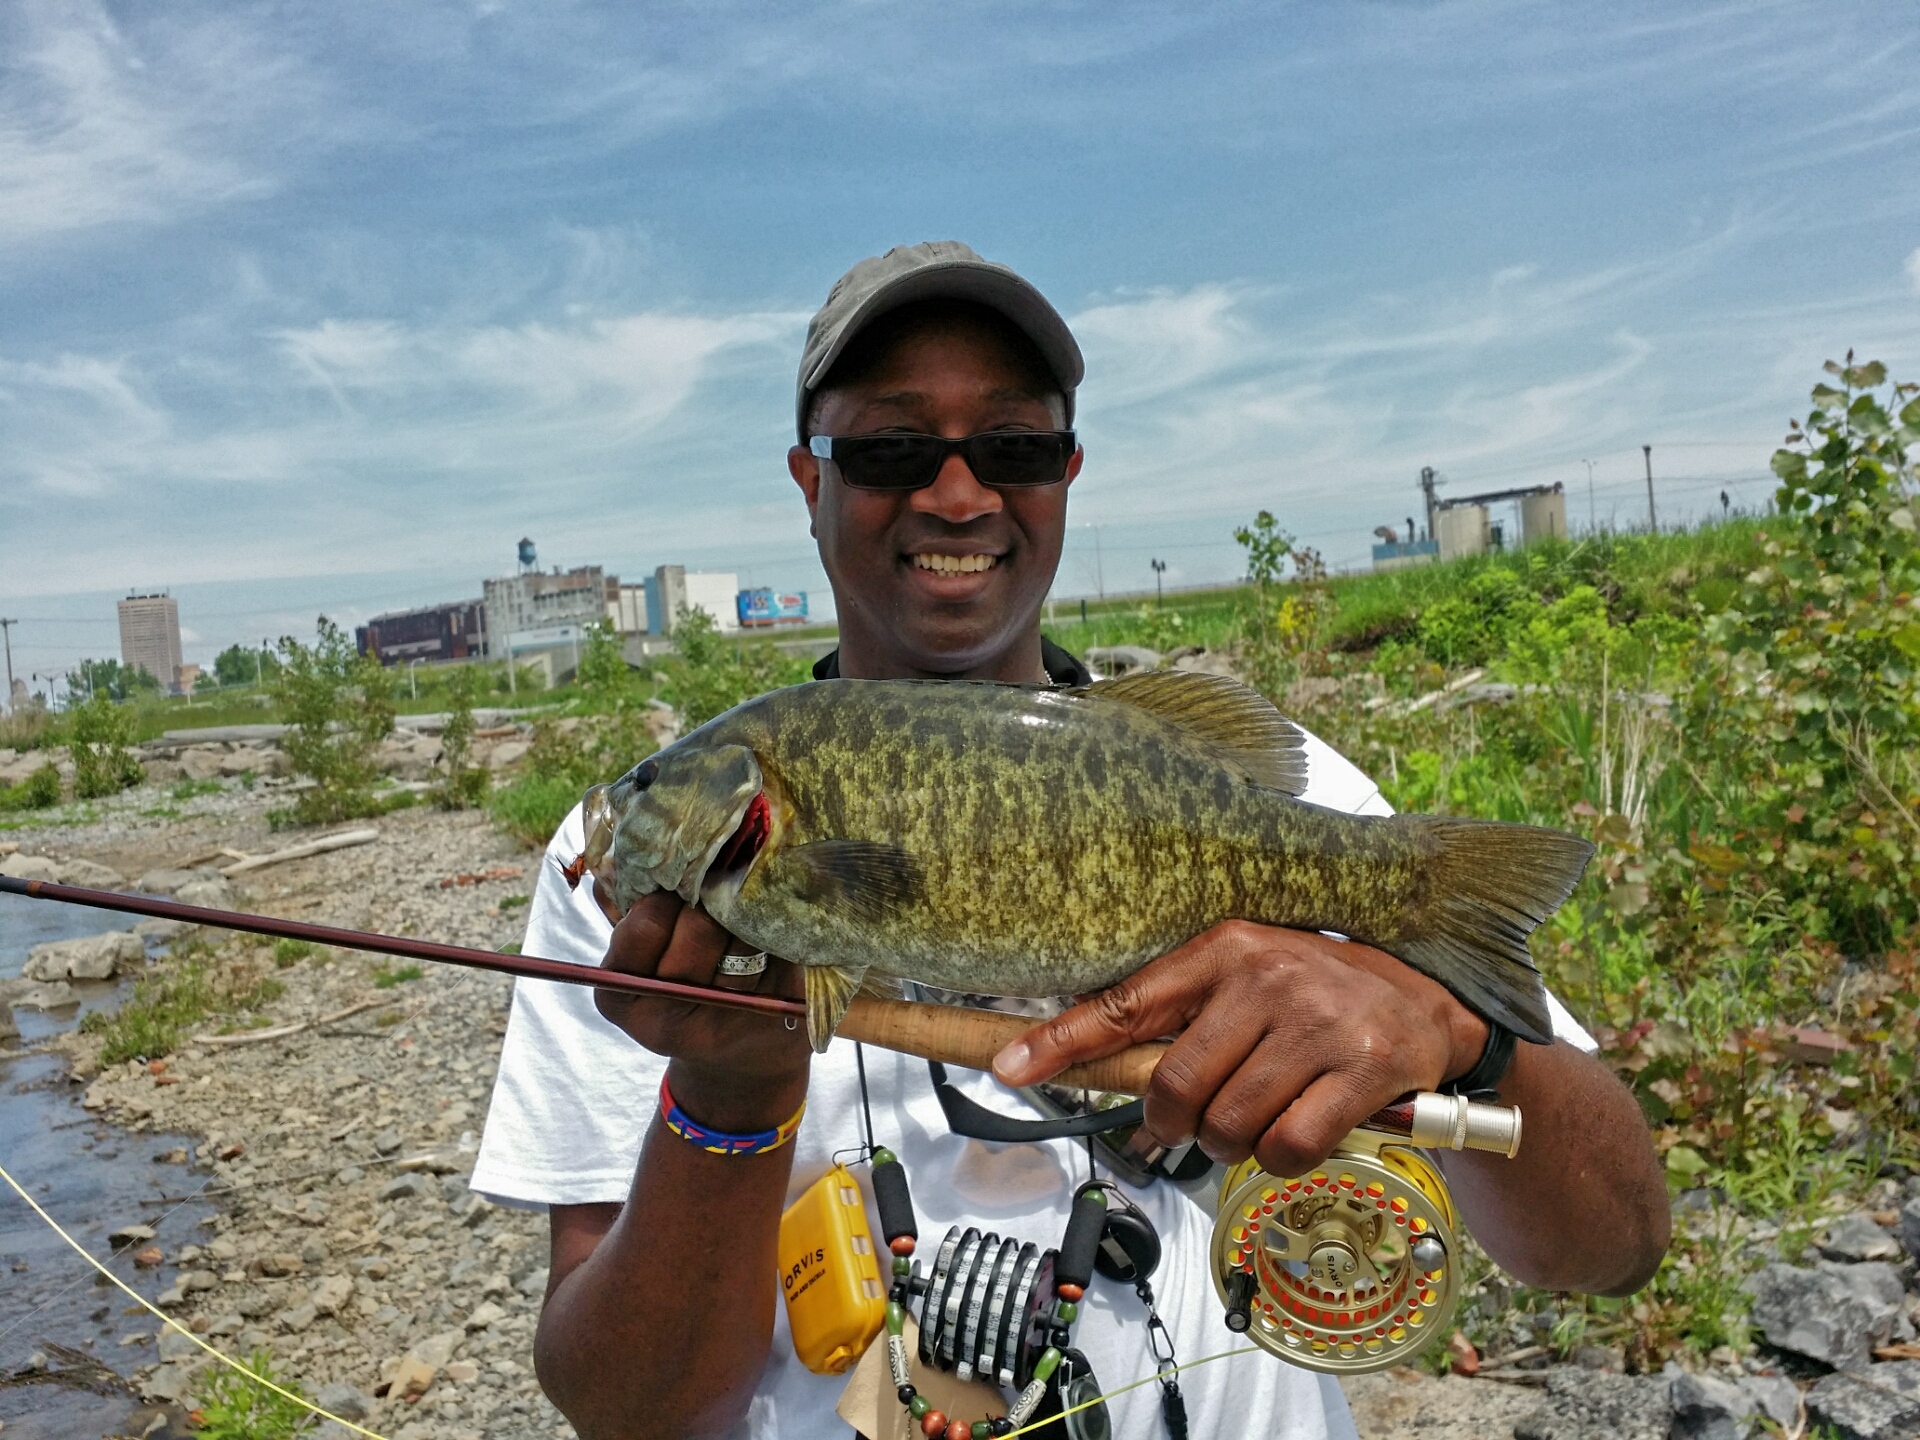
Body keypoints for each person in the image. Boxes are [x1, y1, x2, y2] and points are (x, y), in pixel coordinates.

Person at [470, 241, 1670, 1440]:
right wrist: (726, 1096)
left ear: (1066, 472)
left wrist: (1465, 1043)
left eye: (1015, 447)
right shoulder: (620, 913)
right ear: (808, 477)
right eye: (892, 449)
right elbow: (625, 1413)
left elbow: (1616, 1241)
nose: (957, 493)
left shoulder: (1291, 813)